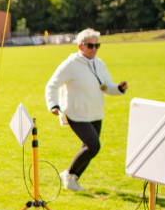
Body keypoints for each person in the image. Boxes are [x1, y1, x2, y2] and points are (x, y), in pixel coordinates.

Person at [44, 28, 128, 192]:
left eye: (97, 45)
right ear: (80, 46)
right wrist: (53, 104)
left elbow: (107, 86)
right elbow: (51, 85)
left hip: (95, 112)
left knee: (88, 149)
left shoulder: (99, 63)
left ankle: (71, 178)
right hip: (76, 113)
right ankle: (69, 174)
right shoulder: (70, 64)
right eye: (90, 45)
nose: (94, 49)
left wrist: (119, 88)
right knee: (93, 146)